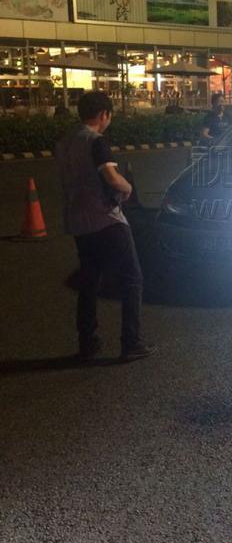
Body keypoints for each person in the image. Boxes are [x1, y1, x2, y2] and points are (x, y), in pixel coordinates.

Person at [56, 91, 156, 362]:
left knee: (89, 281)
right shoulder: (96, 141)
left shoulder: (64, 143)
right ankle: (131, 342)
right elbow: (111, 178)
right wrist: (128, 187)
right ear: (104, 115)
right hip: (106, 220)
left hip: (78, 221)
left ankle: (87, 342)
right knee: (132, 278)